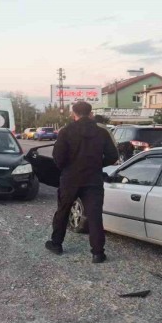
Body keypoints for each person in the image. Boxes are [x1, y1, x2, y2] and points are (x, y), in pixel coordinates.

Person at [46, 101, 119, 263]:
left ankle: (56, 244)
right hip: (93, 179)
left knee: (63, 211)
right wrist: (97, 164)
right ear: (90, 113)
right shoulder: (102, 133)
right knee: (95, 215)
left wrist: (67, 168)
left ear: (74, 114)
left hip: (70, 179)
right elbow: (113, 156)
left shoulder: (66, 132)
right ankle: (98, 253)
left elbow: (58, 157)